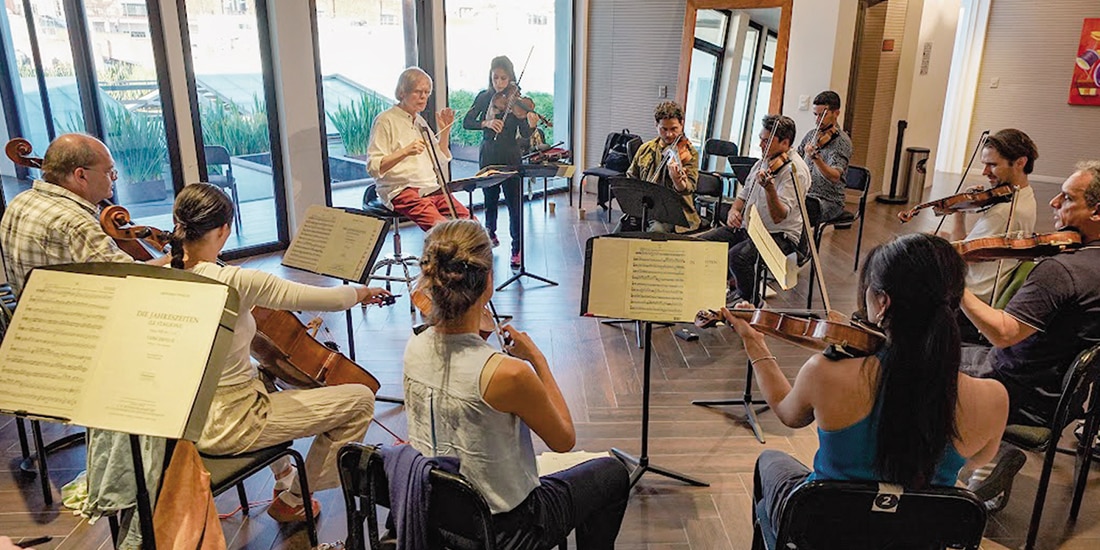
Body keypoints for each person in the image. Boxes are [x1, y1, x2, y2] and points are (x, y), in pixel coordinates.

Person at [718, 233, 1008, 545]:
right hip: (917, 536)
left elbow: (787, 413)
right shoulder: (994, 399)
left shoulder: (825, 373)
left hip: (824, 530)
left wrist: (754, 343)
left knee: (770, 462)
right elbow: (974, 463)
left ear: (883, 303)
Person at [403, 219, 630, 549]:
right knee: (612, 474)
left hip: (437, 513)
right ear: (488, 282)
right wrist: (537, 359)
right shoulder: (509, 374)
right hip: (503, 532)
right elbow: (563, 439)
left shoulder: (413, 347)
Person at [171, 183, 390, 523]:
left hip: (186, 420)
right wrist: (363, 292)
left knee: (261, 372)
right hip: (230, 425)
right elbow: (325, 298)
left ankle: (284, 474)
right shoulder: (234, 281)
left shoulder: (160, 273)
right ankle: (296, 498)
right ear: (224, 229)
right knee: (360, 400)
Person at [958, 162, 1100, 508]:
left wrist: (953, 283)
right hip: (1060, 397)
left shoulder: (1062, 271)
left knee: (908, 362)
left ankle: (963, 466)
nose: (1054, 203)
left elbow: (1003, 334)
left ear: (1097, 211)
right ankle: (988, 456)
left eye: (1067, 198)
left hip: (1014, 393)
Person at [0, 133, 169, 296]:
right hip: (71, 314)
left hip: (27, 308)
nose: (114, 178)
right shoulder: (75, 222)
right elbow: (133, 280)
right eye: (109, 171)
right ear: (81, 175)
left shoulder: (20, 201)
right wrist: (170, 258)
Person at [696, 114, 809, 304]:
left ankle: (752, 304)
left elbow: (779, 216)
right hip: (750, 228)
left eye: (766, 141)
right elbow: (743, 196)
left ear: (785, 142)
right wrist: (734, 212)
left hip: (778, 236)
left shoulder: (796, 171)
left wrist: (770, 190)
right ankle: (724, 291)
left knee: (738, 257)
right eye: (760, 139)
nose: (760, 145)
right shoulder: (763, 162)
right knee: (703, 243)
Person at [942, 129, 1038, 305]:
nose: (985, 172)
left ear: (1020, 162)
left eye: (992, 165)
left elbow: (959, 257)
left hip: (969, 296)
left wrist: (958, 211)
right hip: (982, 284)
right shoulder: (1026, 195)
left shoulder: (1004, 212)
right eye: (984, 164)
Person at [367, 67, 470, 231]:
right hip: (402, 190)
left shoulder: (420, 121)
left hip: (431, 189)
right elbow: (374, 167)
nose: (423, 97)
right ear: (402, 92)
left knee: (471, 225)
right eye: (418, 91)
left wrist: (445, 131)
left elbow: (439, 159)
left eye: (427, 92)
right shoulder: (385, 120)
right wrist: (405, 151)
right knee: (443, 230)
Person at [462, 55, 537, 268]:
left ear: (510, 77)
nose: (499, 83)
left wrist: (530, 125)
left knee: (514, 204)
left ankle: (516, 249)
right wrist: (486, 123)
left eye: (504, 78)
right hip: (488, 154)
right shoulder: (484, 97)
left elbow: (524, 134)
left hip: (511, 155)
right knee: (490, 200)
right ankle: (490, 236)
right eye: (495, 78)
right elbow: (467, 122)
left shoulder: (517, 101)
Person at [617, 100, 700, 233]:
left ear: (682, 124)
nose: (669, 134)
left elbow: (688, 188)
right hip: (645, 207)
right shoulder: (645, 149)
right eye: (664, 129)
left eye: (674, 129)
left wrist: (677, 181)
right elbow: (631, 177)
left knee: (655, 233)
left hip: (674, 213)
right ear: (656, 125)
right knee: (618, 232)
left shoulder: (689, 153)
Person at [796, 91, 852, 226]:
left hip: (828, 200)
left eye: (822, 115)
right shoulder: (811, 135)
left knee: (799, 213)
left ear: (836, 113)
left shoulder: (841, 142)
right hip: (805, 194)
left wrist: (816, 159)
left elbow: (835, 176)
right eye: (815, 115)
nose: (817, 120)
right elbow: (796, 158)